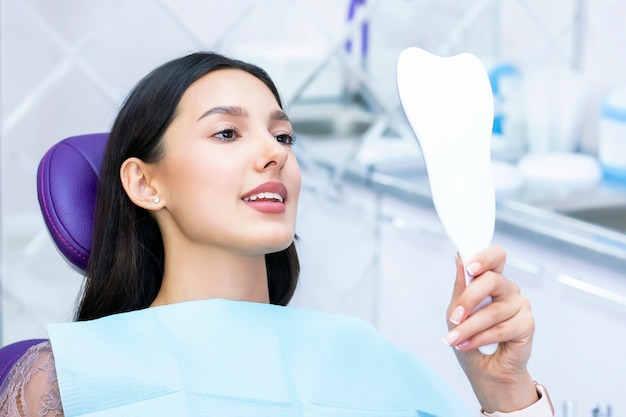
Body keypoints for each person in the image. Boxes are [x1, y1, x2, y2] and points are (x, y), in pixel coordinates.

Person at [0, 52, 553, 417]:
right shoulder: (70, 381)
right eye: (226, 132)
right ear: (145, 183)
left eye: (283, 136)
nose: (274, 152)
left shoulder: (364, 359)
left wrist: (504, 389)